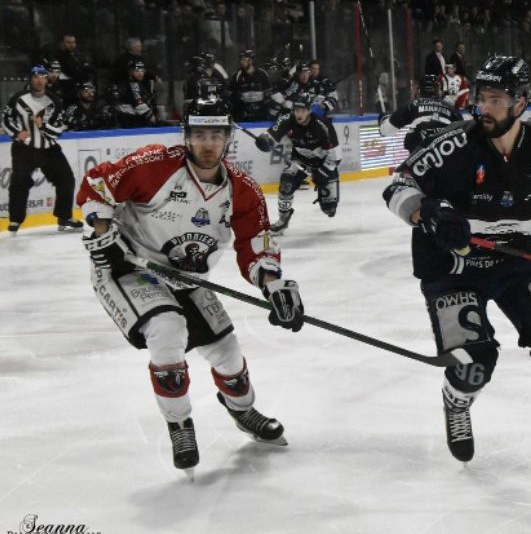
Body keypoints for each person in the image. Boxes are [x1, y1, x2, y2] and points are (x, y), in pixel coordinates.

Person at [382, 56, 531, 465]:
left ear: (521, 103)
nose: (484, 107)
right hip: (450, 265)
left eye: (496, 99)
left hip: (514, 257)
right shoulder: (452, 145)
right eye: (481, 98)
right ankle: (456, 404)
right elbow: (397, 188)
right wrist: (427, 215)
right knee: (474, 365)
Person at [75, 98, 304, 476]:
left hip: (184, 277)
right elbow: (97, 182)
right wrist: (103, 232)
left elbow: (256, 240)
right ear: (186, 136)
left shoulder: (242, 189)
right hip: (129, 267)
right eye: (199, 135)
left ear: (228, 138)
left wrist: (274, 284)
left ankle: (243, 410)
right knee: (167, 328)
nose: (208, 144)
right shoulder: (154, 165)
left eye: (216, 135)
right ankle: (179, 423)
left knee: (228, 353)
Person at [2, 64, 83, 234]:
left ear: (47, 80)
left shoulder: (54, 101)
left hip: (49, 150)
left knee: (66, 179)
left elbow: (58, 130)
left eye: (43, 77)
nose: (39, 80)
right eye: (36, 77)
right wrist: (17, 133)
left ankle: (64, 217)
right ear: (30, 79)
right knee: (18, 183)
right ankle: (16, 220)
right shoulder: (18, 98)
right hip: (24, 150)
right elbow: (6, 119)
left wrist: (43, 126)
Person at [255, 93, 340, 234]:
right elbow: (271, 135)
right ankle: (283, 219)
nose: (299, 114)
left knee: (329, 209)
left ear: (310, 110)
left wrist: (322, 172)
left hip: (323, 163)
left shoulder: (322, 125)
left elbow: (336, 157)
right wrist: (264, 141)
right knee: (286, 182)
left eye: (303, 111)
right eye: (296, 110)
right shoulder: (287, 120)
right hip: (300, 160)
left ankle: (328, 201)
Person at [379, 74, 464, 152]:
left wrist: (384, 118)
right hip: (445, 157)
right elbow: (464, 137)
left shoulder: (412, 106)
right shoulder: (451, 109)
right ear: (438, 90)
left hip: (419, 160)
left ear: (419, 90)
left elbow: (386, 131)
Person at [228, 49, 274, 122]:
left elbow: (269, 92)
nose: (241, 62)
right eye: (241, 60)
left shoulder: (262, 74)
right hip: (243, 115)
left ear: (251, 61)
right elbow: (230, 93)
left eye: (244, 60)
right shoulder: (237, 75)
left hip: (261, 114)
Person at [111, 60, 158, 127]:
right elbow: (139, 104)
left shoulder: (138, 84)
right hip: (129, 121)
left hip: (130, 120)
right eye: (137, 71)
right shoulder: (131, 84)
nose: (140, 74)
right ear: (130, 72)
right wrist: (152, 118)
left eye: (142, 71)